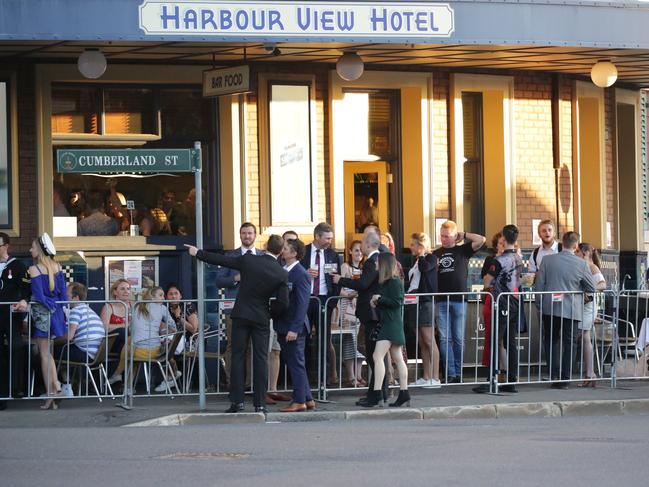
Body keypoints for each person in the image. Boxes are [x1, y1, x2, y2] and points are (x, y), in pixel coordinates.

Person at [186, 235, 289, 413]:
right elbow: (283, 302)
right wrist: (270, 312)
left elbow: (223, 260)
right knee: (260, 359)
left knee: (237, 356)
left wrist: (198, 253)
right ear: (280, 252)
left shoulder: (249, 260)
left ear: (265, 247)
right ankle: (260, 404)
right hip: (261, 317)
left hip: (241, 313)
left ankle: (237, 402)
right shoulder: (281, 273)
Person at [534, 231, 596, 389]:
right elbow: (592, 287)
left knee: (551, 340)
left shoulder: (547, 260)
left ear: (562, 243)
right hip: (572, 308)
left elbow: (539, 285)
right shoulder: (581, 264)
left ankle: (553, 375)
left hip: (550, 308)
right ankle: (565, 378)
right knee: (569, 343)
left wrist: (539, 305)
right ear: (575, 246)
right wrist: (580, 287)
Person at [332, 231, 387, 406]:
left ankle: (376, 394)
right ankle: (378, 392)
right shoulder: (381, 260)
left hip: (371, 313)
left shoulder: (372, 261)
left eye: (363, 243)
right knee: (376, 356)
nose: (361, 246)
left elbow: (364, 284)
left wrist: (341, 280)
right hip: (375, 311)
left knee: (373, 355)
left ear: (369, 245)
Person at [434, 220, 486, 383]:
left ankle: (458, 372)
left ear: (454, 236)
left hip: (459, 300)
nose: (443, 239)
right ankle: (450, 373)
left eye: (447, 236)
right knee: (444, 339)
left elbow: (481, 240)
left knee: (458, 338)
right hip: (441, 300)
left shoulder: (462, 250)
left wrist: (463, 235)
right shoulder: (435, 254)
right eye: (441, 236)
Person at [474, 225, 522, 394]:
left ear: (503, 237)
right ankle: (512, 380)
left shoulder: (499, 260)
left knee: (495, 339)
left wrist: (491, 285)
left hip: (501, 302)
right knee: (511, 341)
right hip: (515, 301)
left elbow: (487, 281)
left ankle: (492, 379)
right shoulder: (518, 258)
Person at [362, 252, 410, 407]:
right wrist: (378, 302)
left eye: (377, 262)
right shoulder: (390, 281)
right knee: (397, 358)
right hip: (391, 323)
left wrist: (379, 299)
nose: (375, 264)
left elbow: (397, 302)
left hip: (390, 324)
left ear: (383, 264)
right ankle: (404, 393)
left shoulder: (394, 281)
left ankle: (378, 394)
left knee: (377, 356)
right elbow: (393, 301)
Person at [215, 222, 260, 386]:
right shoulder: (230, 256)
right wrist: (235, 279)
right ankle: (233, 383)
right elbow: (218, 281)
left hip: (256, 308)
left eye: (250, 233)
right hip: (233, 308)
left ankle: (249, 384)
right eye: (244, 233)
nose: (247, 236)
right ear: (240, 235)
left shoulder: (261, 256)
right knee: (233, 346)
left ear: (255, 235)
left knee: (251, 347)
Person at [108, 286, 177, 392]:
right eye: (161, 295)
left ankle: (122, 381)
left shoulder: (136, 306)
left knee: (130, 347)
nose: (164, 298)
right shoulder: (162, 308)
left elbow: (132, 329)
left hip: (138, 350)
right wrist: (164, 331)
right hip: (154, 351)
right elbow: (174, 327)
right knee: (130, 346)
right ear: (152, 297)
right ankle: (123, 382)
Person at [274, 238, 315, 412]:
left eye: (285, 248)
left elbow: (302, 304)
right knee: (295, 362)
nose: (282, 251)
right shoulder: (284, 270)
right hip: (284, 324)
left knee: (296, 363)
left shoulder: (300, 274)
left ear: (294, 253)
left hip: (293, 327)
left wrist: (294, 328)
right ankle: (307, 398)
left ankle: (299, 401)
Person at [29, 233, 67, 410]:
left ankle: (53, 391)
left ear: (40, 251)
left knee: (44, 354)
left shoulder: (34, 269)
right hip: (56, 314)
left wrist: (49, 305)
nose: (30, 250)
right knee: (48, 353)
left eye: (33, 247)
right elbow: (64, 295)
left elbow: (38, 295)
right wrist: (55, 306)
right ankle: (54, 390)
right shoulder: (58, 267)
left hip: (43, 314)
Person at [299, 222, 341, 387]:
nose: (330, 241)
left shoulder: (332, 255)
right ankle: (306, 380)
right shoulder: (303, 252)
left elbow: (336, 281)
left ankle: (323, 380)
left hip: (324, 300)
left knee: (324, 340)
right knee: (303, 339)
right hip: (306, 299)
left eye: (331, 238)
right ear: (317, 236)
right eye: (327, 238)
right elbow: (295, 271)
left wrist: (333, 302)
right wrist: (305, 273)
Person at [57, 282, 107, 396]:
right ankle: (66, 385)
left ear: (76, 297)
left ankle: (64, 387)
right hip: (97, 355)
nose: (64, 298)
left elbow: (69, 337)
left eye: (67, 295)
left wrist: (52, 342)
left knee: (52, 352)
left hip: (86, 354)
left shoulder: (76, 311)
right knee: (63, 351)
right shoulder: (89, 311)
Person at [407, 232, 441, 389]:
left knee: (429, 340)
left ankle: (435, 377)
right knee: (421, 341)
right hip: (414, 301)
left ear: (421, 245)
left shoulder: (430, 258)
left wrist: (421, 255)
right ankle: (426, 376)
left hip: (426, 302)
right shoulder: (416, 261)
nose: (410, 247)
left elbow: (426, 268)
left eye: (413, 244)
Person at [0, 232, 30, 408]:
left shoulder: (17, 266)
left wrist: (24, 300)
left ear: (6, 246)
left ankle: (16, 387)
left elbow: (26, 287)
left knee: (16, 347)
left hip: (10, 315)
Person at [152, 283, 199, 393]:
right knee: (162, 345)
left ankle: (170, 377)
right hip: (171, 338)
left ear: (180, 296)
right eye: (170, 294)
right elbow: (162, 327)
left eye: (176, 293)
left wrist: (178, 317)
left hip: (190, 340)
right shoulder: (164, 308)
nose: (173, 296)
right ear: (166, 296)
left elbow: (193, 329)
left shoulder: (188, 305)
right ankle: (172, 376)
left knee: (166, 347)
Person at [334, 240, 365, 387]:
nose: (359, 253)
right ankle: (351, 376)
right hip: (347, 307)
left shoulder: (365, 269)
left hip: (360, 308)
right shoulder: (345, 267)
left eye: (361, 250)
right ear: (350, 252)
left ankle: (359, 375)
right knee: (349, 341)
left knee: (358, 342)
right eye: (356, 250)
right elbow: (338, 286)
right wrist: (350, 296)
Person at [575, 243, 606, 387]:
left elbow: (603, 284)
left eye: (577, 252)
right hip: (583, 306)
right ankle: (590, 372)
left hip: (588, 307)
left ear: (585, 253)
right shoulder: (583, 266)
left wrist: (589, 291)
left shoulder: (592, 267)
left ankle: (590, 373)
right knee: (584, 338)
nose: (575, 254)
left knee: (583, 336)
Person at [479, 232, 508, 376]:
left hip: (508, 300)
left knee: (505, 338)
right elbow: (485, 279)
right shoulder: (491, 260)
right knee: (494, 336)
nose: (503, 246)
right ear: (496, 245)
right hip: (493, 298)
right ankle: (496, 371)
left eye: (505, 243)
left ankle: (505, 371)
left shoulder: (513, 258)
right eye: (500, 243)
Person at [100, 278, 132, 357]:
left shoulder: (134, 306)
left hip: (130, 342)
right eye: (122, 289)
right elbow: (104, 327)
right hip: (112, 343)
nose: (126, 291)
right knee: (123, 331)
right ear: (115, 292)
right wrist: (124, 325)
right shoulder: (108, 307)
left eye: (128, 289)